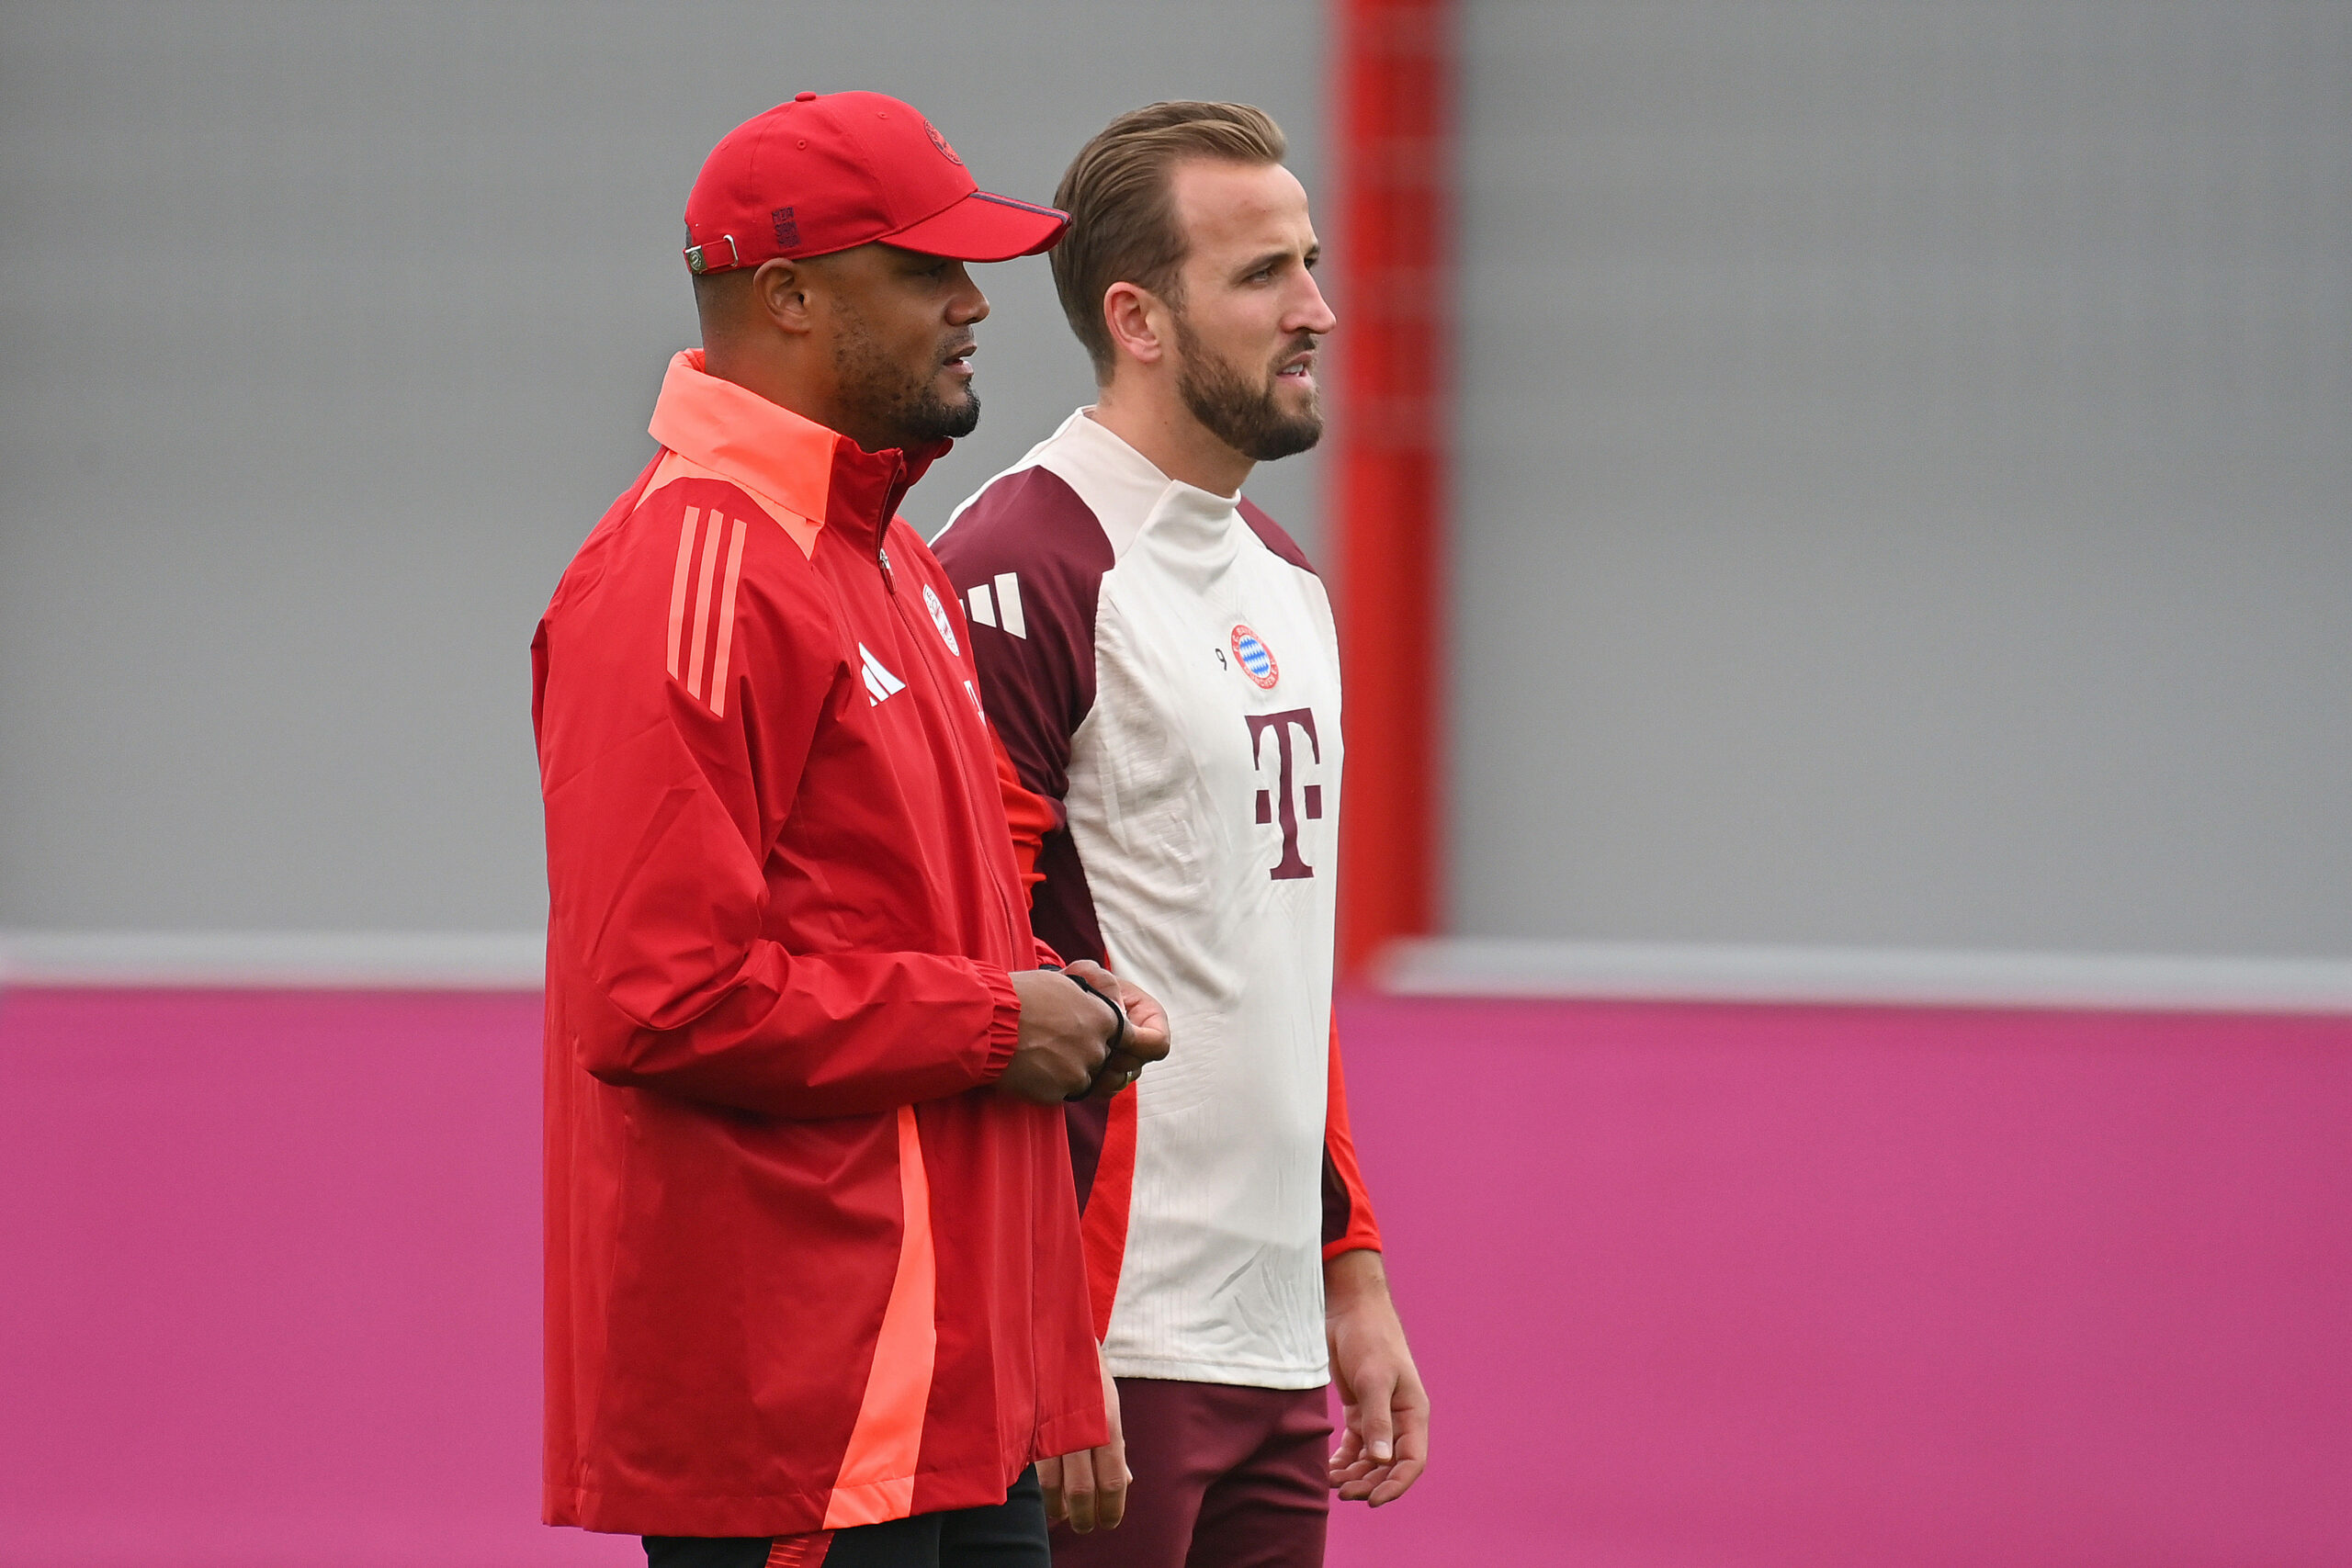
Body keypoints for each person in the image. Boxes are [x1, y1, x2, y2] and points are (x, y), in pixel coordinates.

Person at [532, 91, 1170, 1568]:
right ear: (792, 293)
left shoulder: (894, 568)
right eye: (928, 269)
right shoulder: (687, 565)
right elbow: (660, 997)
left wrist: (1049, 1363)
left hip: (956, 1406)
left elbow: (956, 963)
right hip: (800, 1421)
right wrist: (996, 1025)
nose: (976, 306)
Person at [932, 101, 1430, 1567]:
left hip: (1274, 1348)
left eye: (1312, 262)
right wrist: (1045, 1333)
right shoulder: (1017, 563)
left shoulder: (1285, 578)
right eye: (1264, 274)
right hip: (1111, 1347)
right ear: (1138, 318)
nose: (1318, 310)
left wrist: (1351, 1269)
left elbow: (1277, 959)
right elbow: (979, 983)